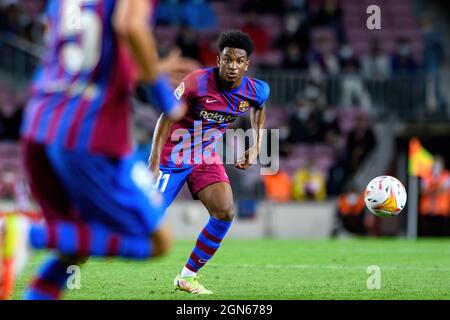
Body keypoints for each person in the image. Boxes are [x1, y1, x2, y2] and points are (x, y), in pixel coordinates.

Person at [0, 0, 193, 300]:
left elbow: (84, 59)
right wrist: (164, 97)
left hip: (39, 124)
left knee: (73, 248)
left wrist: (145, 69)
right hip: (88, 133)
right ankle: (28, 234)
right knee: (159, 241)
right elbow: (129, 25)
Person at [148, 30, 270, 294]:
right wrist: (154, 160)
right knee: (145, 222)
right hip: (172, 156)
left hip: (204, 156)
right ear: (218, 60)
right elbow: (165, 117)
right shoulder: (196, 82)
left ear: (246, 65)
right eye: (228, 60)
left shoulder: (256, 89)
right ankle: (87, 241)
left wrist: (256, 145)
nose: (233, 66)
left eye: (239, 61)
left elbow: (260, 108)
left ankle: (187, 276)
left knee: (225, 211)